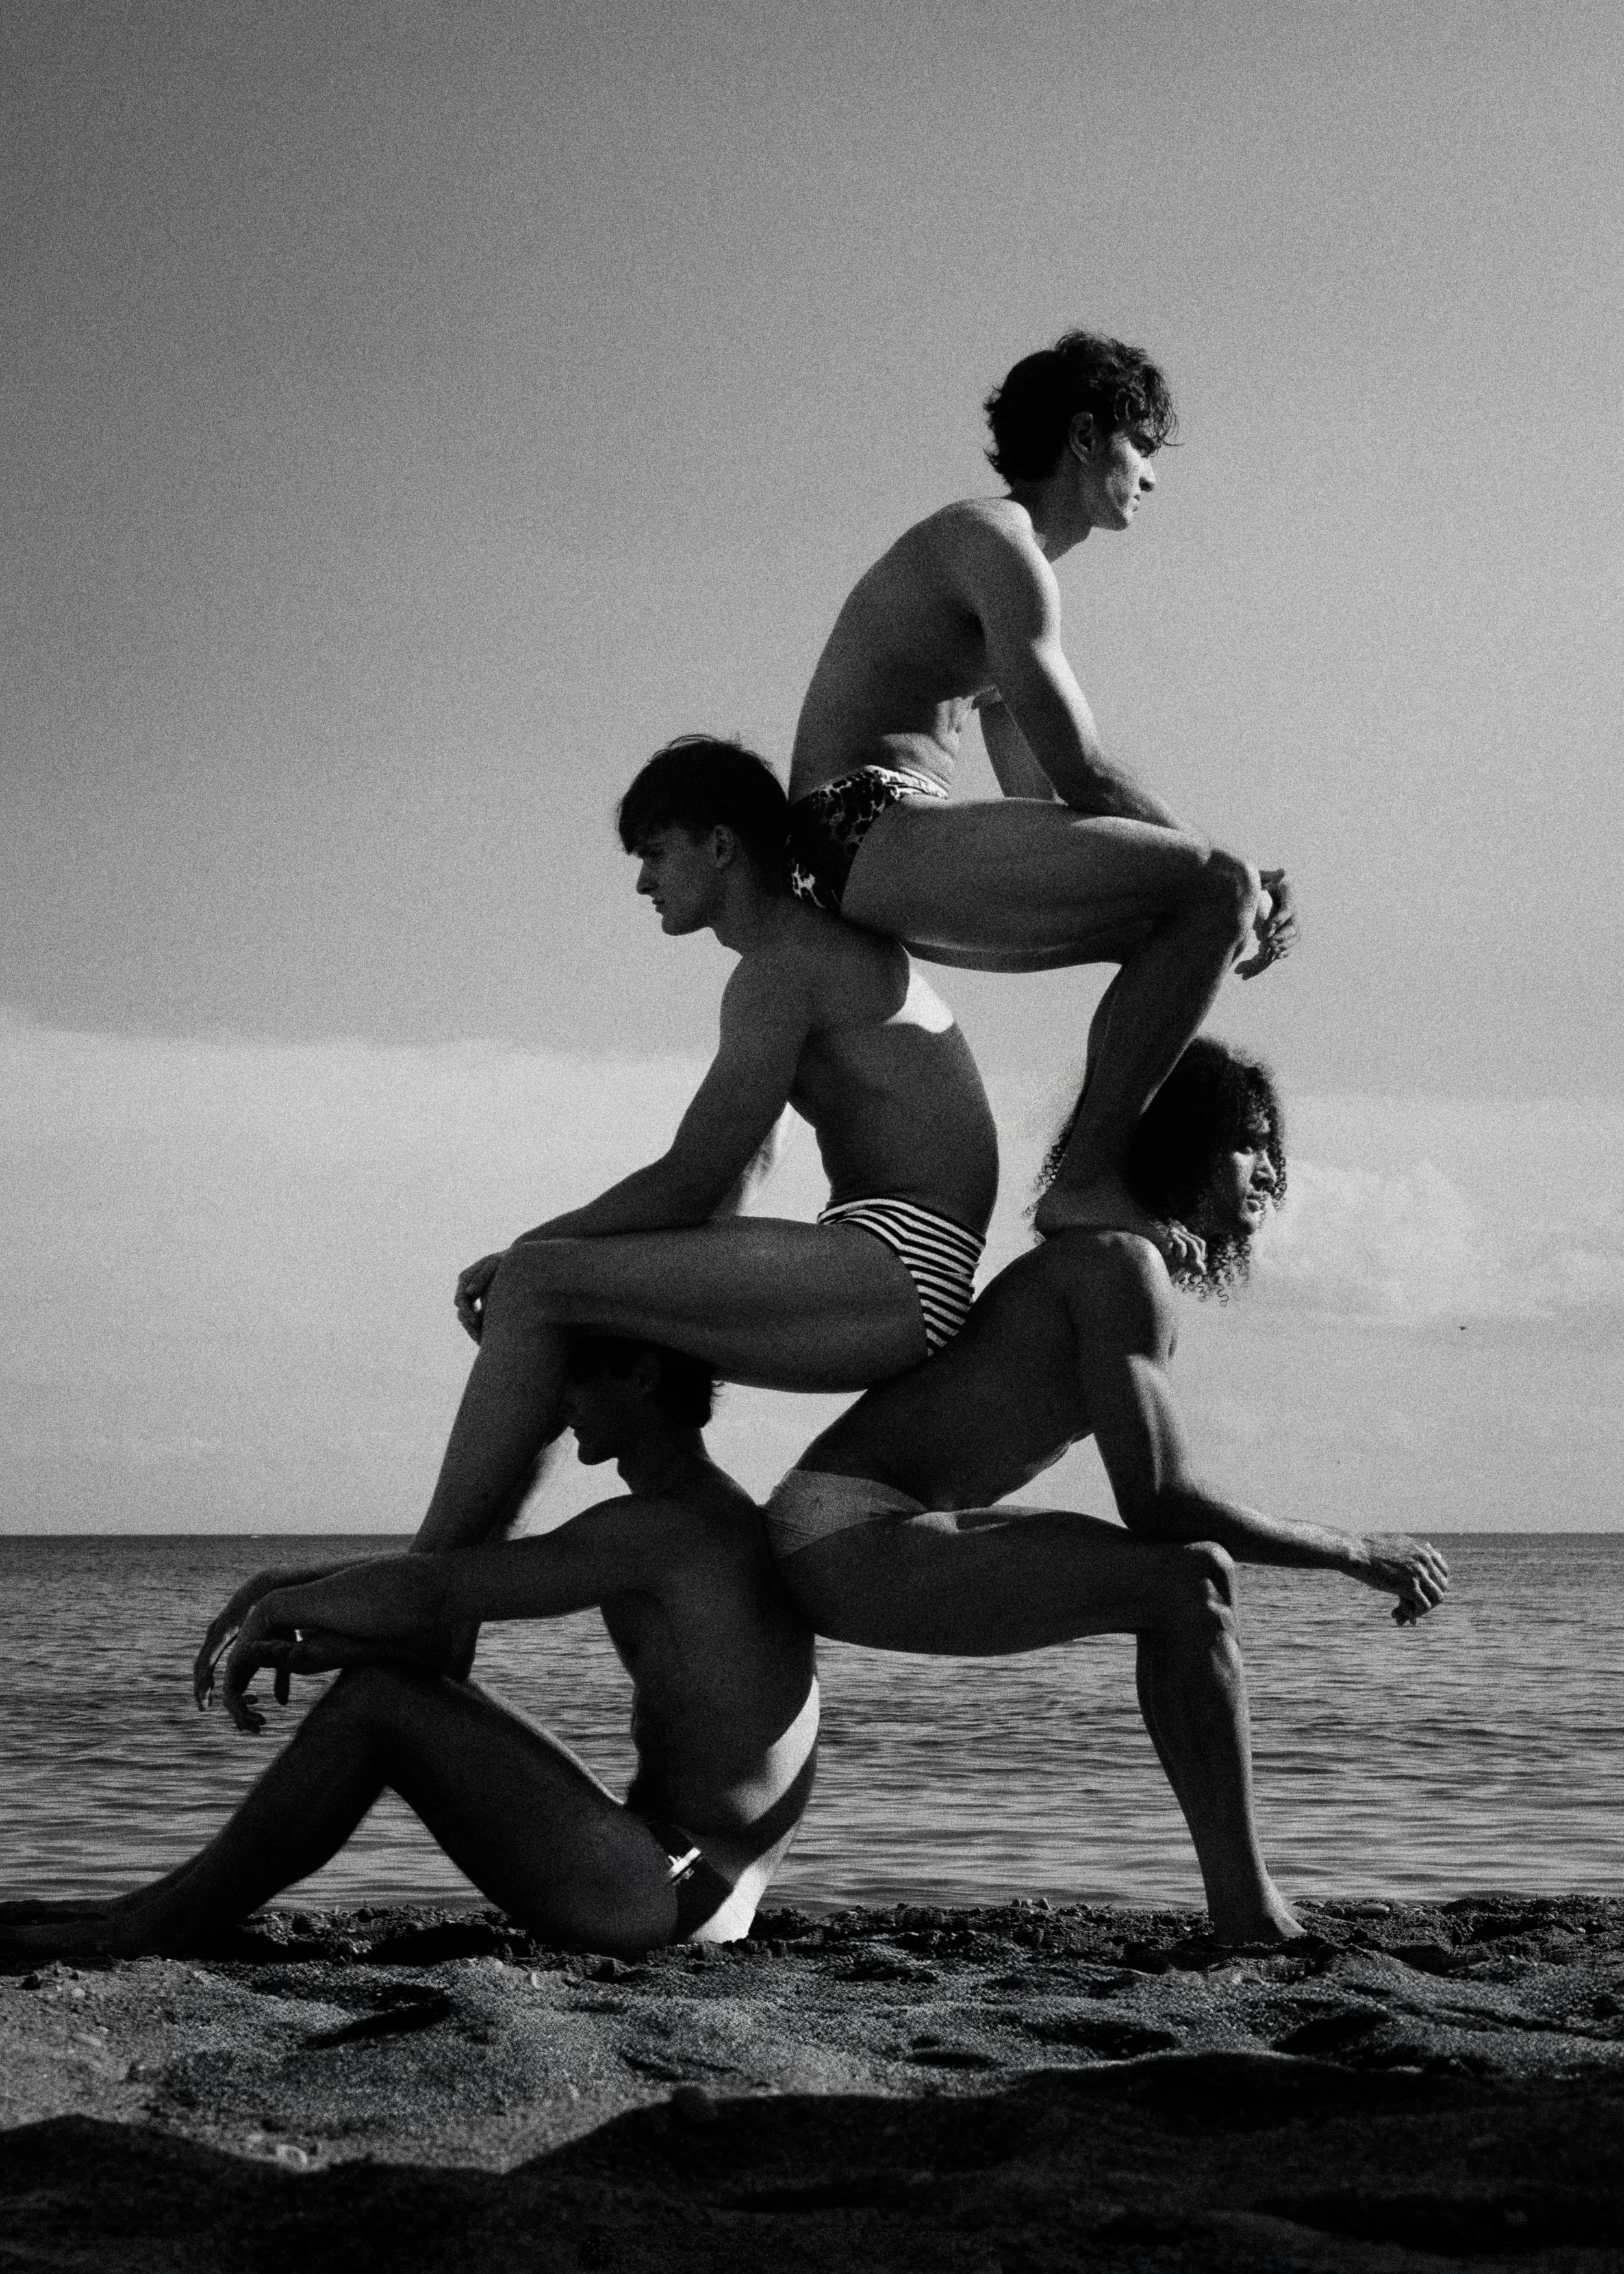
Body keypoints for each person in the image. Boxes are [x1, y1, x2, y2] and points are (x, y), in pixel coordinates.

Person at [761, 1036, 1451, 1943]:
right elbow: (1159, 1500)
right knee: (1189, 1577)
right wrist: (1359, 1552)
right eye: (1248, 1143)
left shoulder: (1118, 1262)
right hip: (847, 1535)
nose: (1272, 1172)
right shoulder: (1119, 1265)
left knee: (1184, 1584)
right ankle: (1249, 1914)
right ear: (1185, 1148)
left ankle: (1245, 1907)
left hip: (857, 1525)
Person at [0, 1334, 818, 1961]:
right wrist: (305, 1590)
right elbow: (449, 1606)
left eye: (577, 1377)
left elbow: (434, 1593)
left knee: (381, 1701)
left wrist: (282, 1601)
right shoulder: (691, 1518)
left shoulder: (669, 1526)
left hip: (666, 1892)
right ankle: (145, 1908)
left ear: (641, 1376)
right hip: (678, 1882)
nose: (559, 1401)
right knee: (393, 1682)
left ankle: (150, 1924)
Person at [426, 734, 998, 1559]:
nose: (643, 879)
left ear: (720, 845)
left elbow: (689, 1182)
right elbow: (740, 1170)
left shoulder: (779, 969)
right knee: (560, 1294)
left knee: (542, 1278)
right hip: (904, 1268)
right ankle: (455, 1577)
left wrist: (525, 1249)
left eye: (656, 851)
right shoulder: (804, 957)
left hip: (897, 1267)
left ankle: (428, 1579)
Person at [787, 329, 1296, 1253]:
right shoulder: (994, 542)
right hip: (857, 826)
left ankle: (1102, 1167)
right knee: (1213, 889)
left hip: (866, 858)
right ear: (1086, 435)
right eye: (1142, 446)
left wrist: (1217, 899)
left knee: (1180, 923)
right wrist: (1242, 879)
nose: (1153, 474)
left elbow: (1051, 806)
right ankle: (1085, 1179)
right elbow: (1083, 774)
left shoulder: (1001, 573)